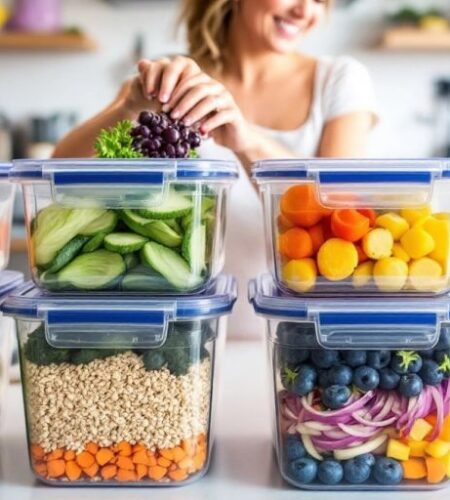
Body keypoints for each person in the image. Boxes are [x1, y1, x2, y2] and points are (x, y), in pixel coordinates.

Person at [53, 0, 378, 339]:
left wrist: (247, 141)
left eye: (320, 1)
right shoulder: (173, 81)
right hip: (177, 341)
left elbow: (341, 222)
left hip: (296, 341)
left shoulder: (339, 80)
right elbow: (58, 177)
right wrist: (131, 107)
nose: (305, 11)